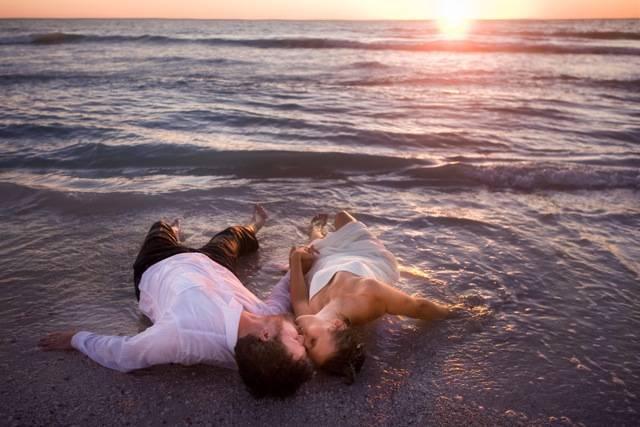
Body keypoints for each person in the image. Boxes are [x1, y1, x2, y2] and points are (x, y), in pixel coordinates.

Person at [39, 205, 313, 398]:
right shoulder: (267, 318)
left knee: (159, 228)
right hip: (214, 265)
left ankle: (173, 231)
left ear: (265, 336)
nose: (301, 338)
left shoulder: (183, 335)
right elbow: (282, 295)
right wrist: (298, 263)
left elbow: (125, 355)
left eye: (296, 343)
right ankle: (254, 225)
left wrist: (77, 339)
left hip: (160, 263)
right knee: (236, 235)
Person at [289, 211, 454, 384]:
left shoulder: (310, 314)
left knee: (315, 245)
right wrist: (455, 314)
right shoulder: (368, 296)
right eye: (312, 341)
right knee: (341, 216)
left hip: (324, 261)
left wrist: (295, 259)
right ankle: (319, 232)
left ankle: (316, 228)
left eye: (306, 346)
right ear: (337, 325)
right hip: (364, 255)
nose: (302, 339)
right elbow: (418, 307)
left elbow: (298, 299)